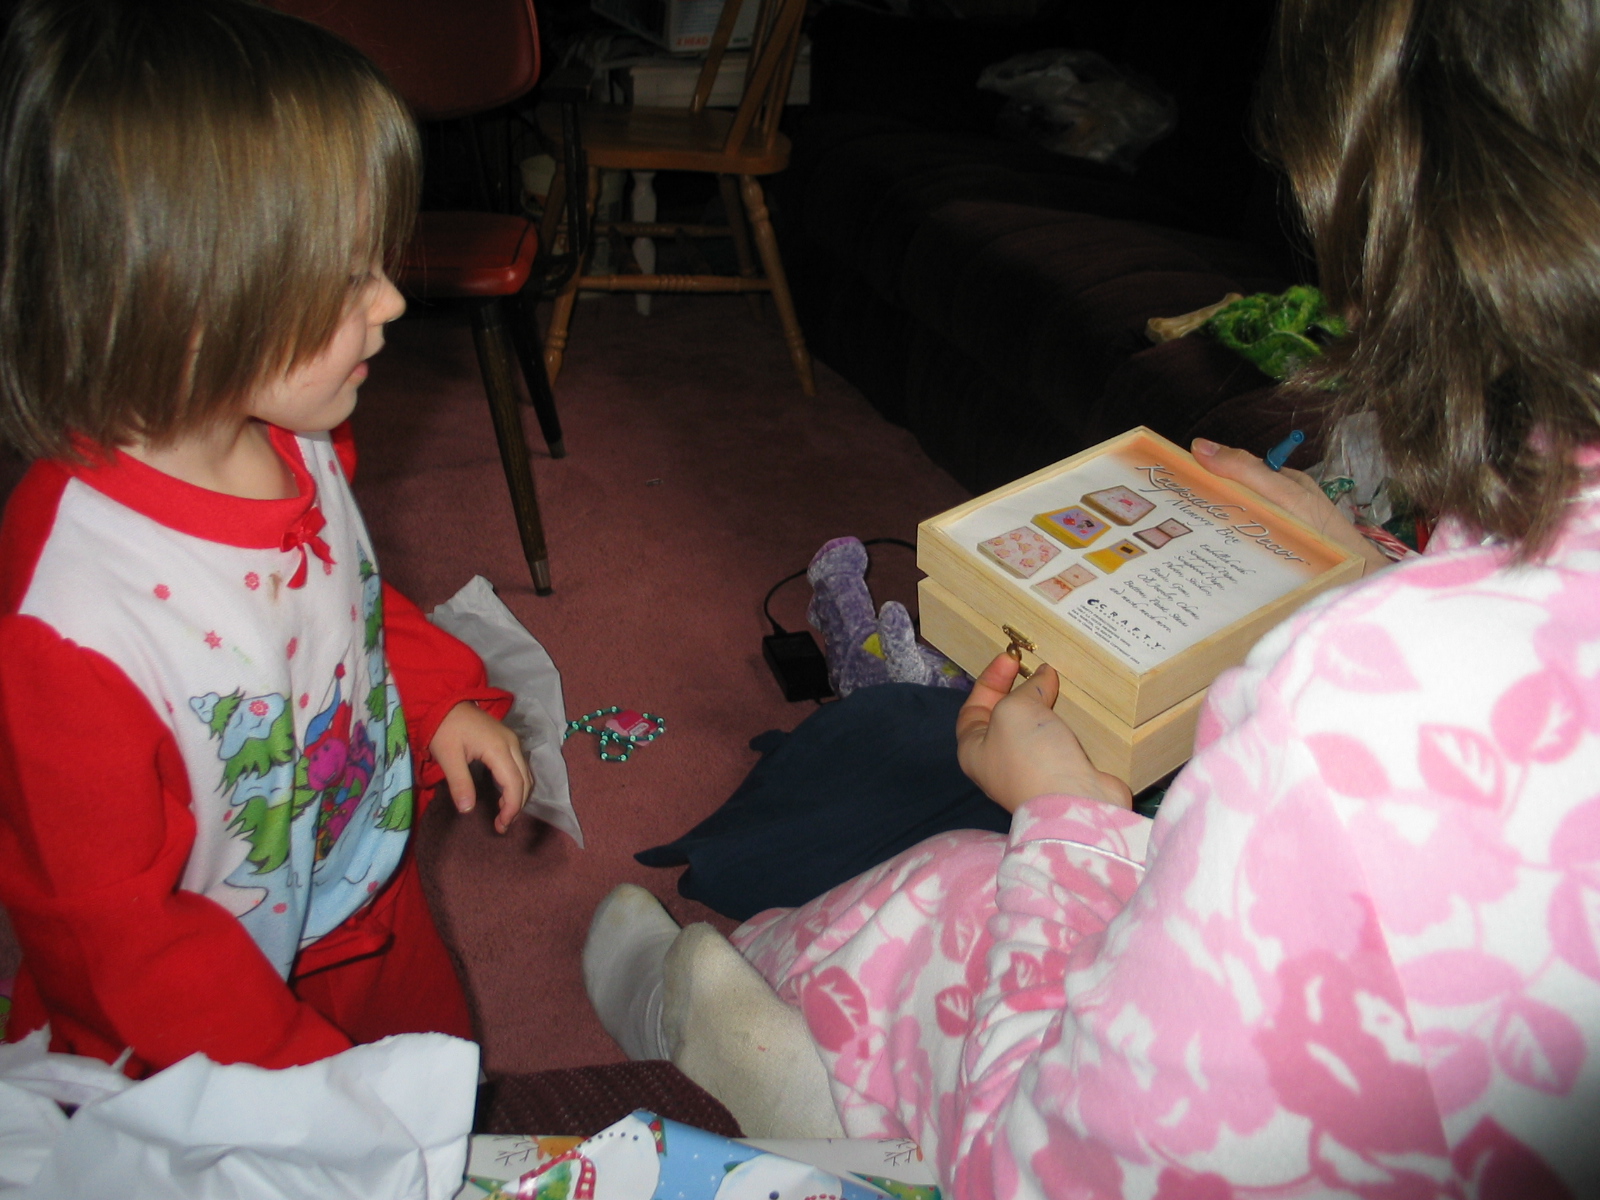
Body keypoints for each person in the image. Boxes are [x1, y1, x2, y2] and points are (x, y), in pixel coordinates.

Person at [583, 0, 1600, 1192]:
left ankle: (787, 1058)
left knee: (948, 875)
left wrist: (1064, 811)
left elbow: (1054, 1174)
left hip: (1108, 1132)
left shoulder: (1341, 706)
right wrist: (1361, 562)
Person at [0, 0, 533, 1078]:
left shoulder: (302, 440)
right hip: (212, 1022)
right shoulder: (67, 620)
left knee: (431, 1076)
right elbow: (115, 942)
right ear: (182, 297)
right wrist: (301, 1091)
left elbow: (343, 605)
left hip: (360, 890)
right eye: (347, 278)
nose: (391, 301)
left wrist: (437, 702)